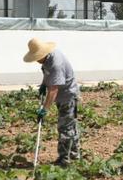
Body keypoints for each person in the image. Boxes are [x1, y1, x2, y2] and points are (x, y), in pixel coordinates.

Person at [23, 38, 80, 166]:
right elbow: (48, 75)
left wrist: (44, 109)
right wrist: (44, 84)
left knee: (65, 128)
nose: (36, 60)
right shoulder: (46, 60)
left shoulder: (56, 63)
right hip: (61, 96)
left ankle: (64, 160)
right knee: (70, 126)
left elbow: (53, 90)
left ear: (42, 54)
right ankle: (74, 155)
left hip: (68, 96)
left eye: (36, 57)